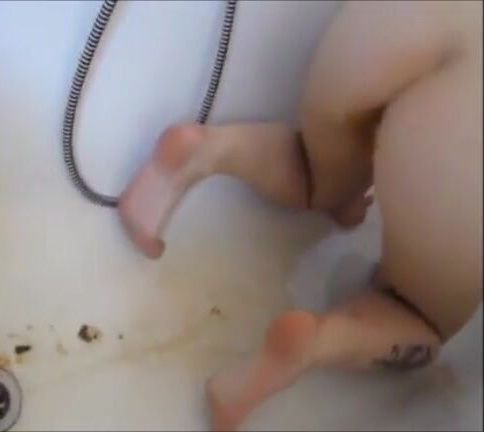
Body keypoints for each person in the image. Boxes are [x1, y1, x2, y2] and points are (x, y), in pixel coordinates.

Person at [116, 1, 483, 430]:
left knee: (315, 174)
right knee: (421, 317)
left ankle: (206, 149)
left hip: (404, 18)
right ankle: (316, 342)